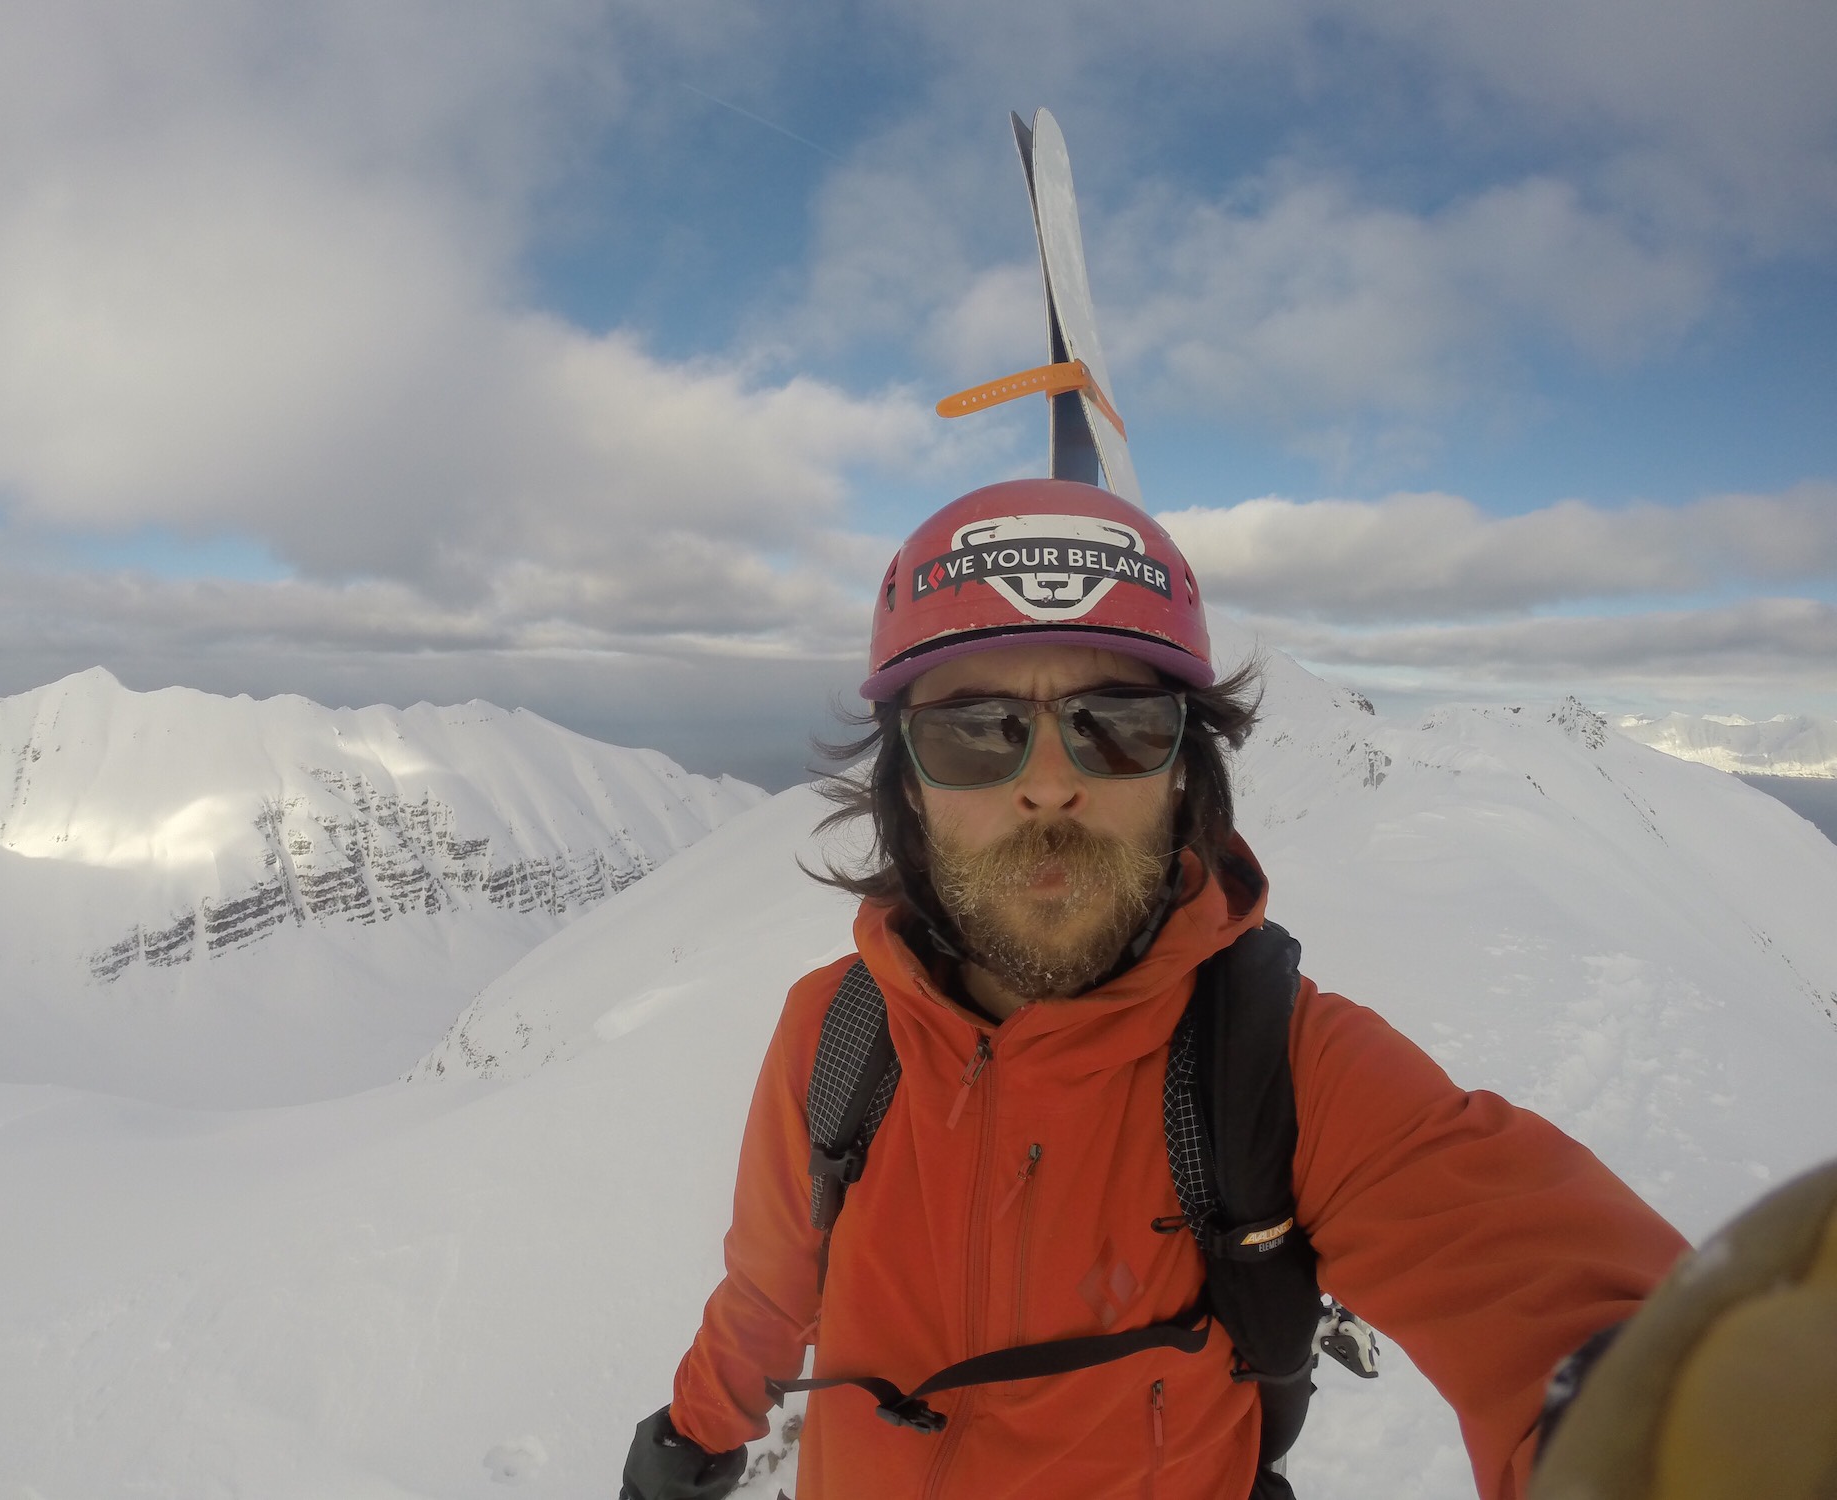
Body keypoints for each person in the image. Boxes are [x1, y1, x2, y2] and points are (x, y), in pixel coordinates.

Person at [620, 477, 1688, 1500]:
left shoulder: (1282, 1067)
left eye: (1117, 721)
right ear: (904, 781)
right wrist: (694, 1431)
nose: (1048, 780)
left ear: (1184, 768)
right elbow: (771, 1286)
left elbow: (1559, 1306)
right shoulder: (836, 1033)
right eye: (970, 729)